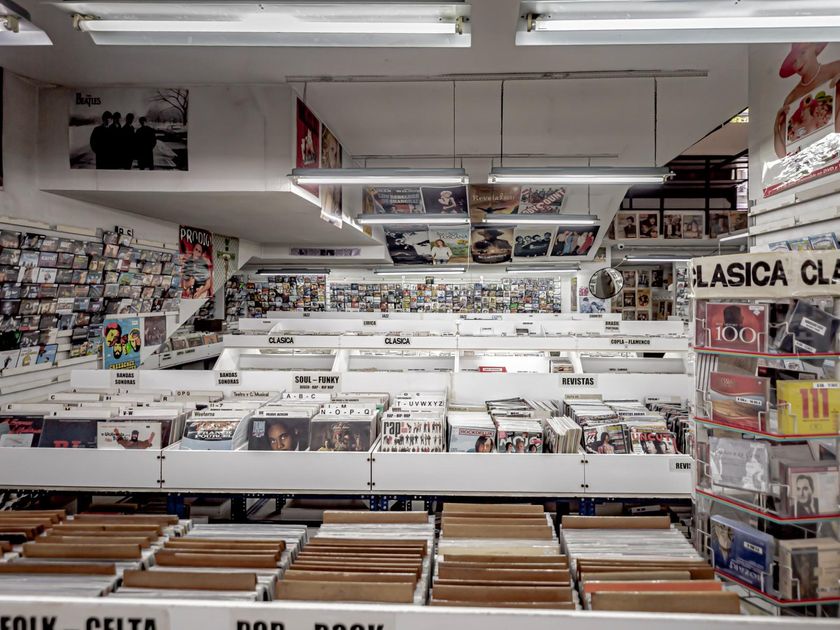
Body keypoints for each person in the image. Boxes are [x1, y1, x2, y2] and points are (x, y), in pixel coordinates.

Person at [774, 43, 840, 159]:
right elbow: (783, 155)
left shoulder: (836, 69)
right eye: (793, 61)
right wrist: (776, 126)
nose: (798, 62)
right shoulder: (791, 98)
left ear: (815, 48)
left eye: (803, 52)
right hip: (811, 164)